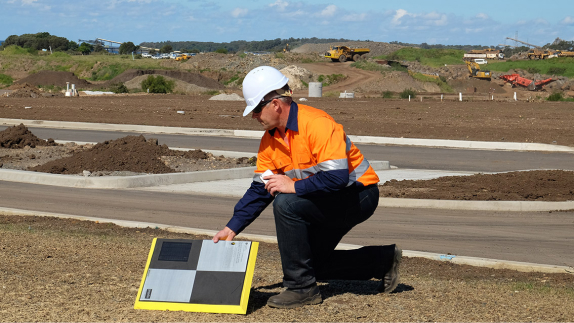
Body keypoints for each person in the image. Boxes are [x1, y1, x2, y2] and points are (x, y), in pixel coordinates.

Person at [213, 66, 401, 309]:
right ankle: (382, 261)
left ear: (275, 104)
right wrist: (232, 227)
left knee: (285, 203)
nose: (254, 116)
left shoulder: (317, 124)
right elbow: (260, 188)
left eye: (257, 109)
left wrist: (293, 185)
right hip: (324, 198)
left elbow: (336, 178)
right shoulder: (270, 139)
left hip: (358, 195)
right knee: (310, 264)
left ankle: (301, 289)